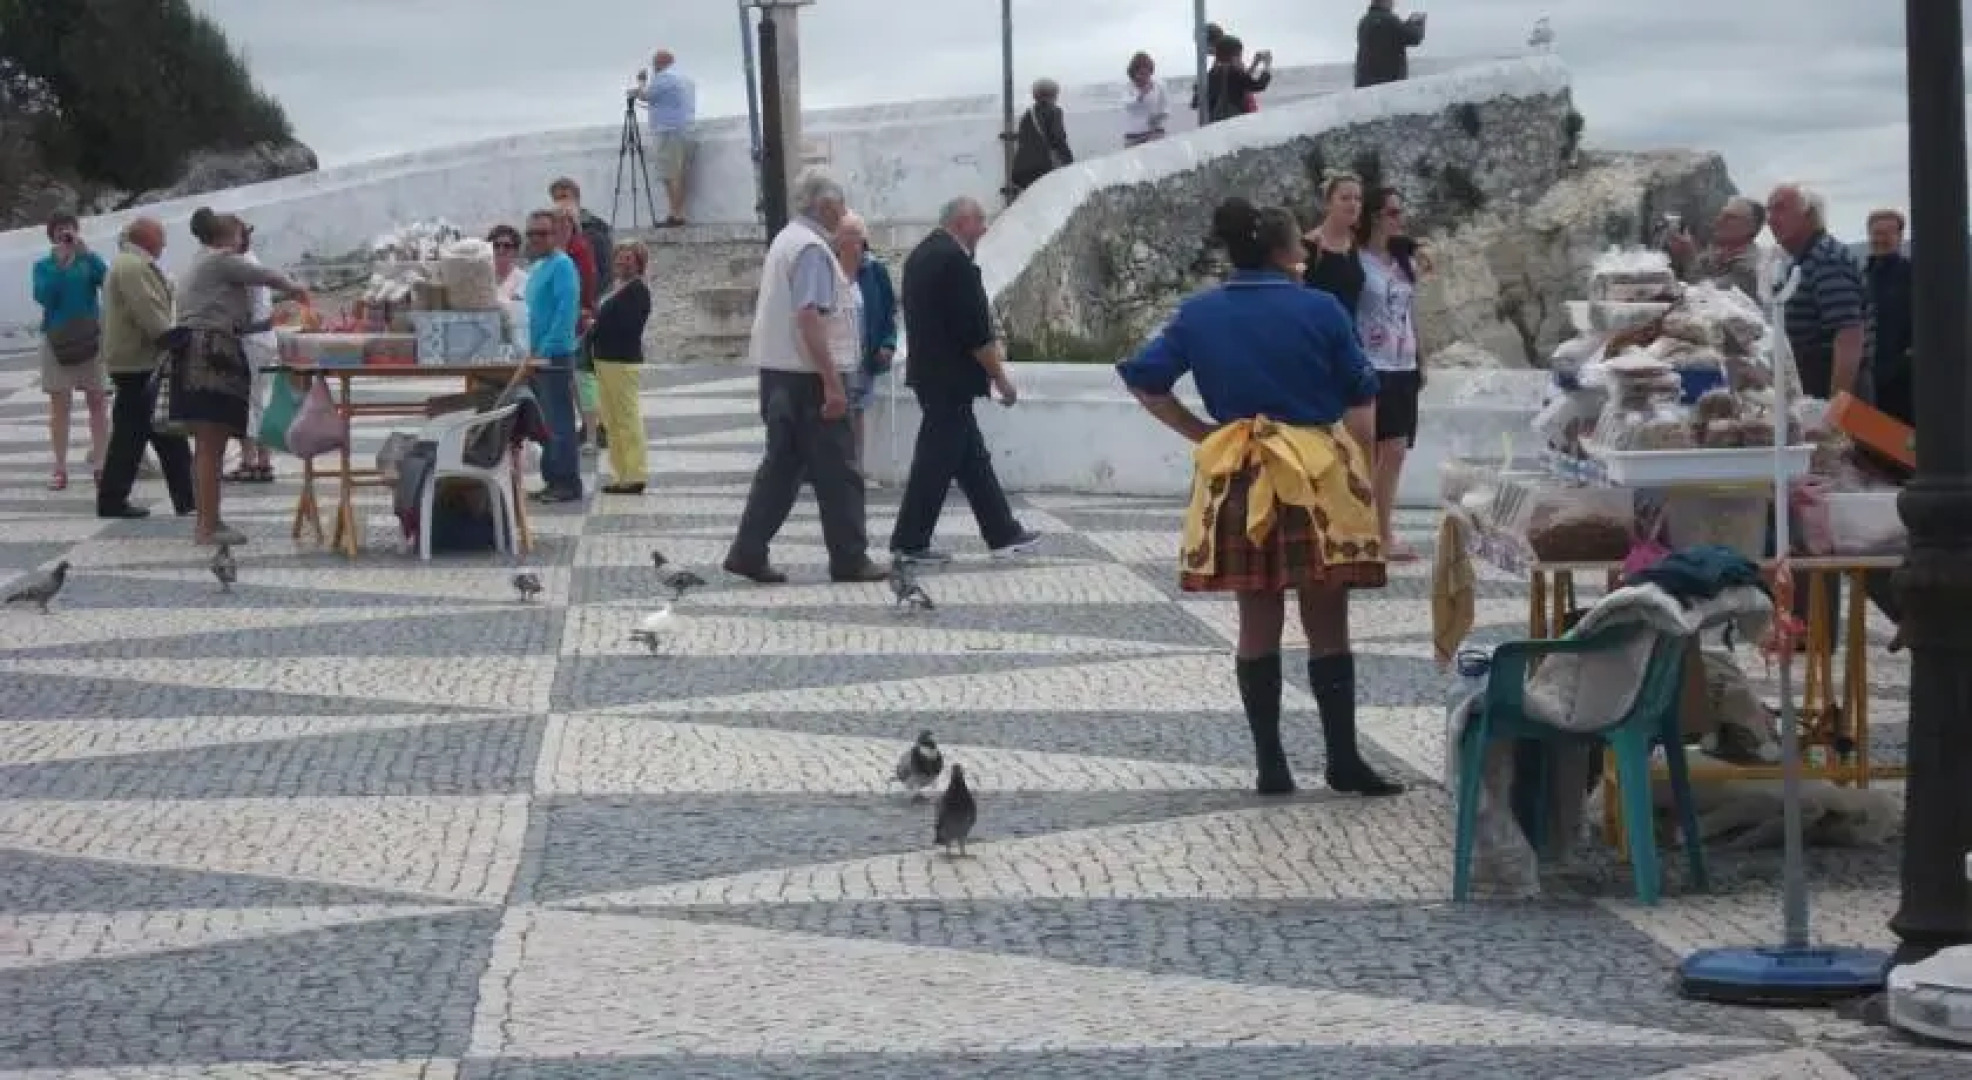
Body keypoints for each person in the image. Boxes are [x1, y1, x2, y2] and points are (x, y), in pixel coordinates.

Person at [1116, 197, 1403, 799]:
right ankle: (1342, 759)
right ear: (1284, 252)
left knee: (1256, 618)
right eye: (1298, 247)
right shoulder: (1321, 309)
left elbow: (1145, 380)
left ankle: (1271, 765)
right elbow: (1361, 404)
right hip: (1316, 474)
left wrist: (1205, 434)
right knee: (1327, 619)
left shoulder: (1198, 313)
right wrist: (1359, 474)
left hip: (1241, 472)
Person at [723, 171, 888, 585]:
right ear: (827, 205)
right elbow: (809, 316)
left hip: (778, 373)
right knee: (840, 470)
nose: (845, 212)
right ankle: (850, 558)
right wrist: (832, 383)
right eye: (842, 204)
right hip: (808, 377)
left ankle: (748, 550)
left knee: (782, 467)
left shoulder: (787, 239)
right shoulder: (812, 249)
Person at [889, 197, 1038, 563]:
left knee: (972, 459)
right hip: (951, 379)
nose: (985, 230)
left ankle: (1001, 532)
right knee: (934, 462)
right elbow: (975, 332)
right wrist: (1000, 379)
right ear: (961, 222)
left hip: (929, 374)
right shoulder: (955, 263)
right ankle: (909, 542)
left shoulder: (921, 256)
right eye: (980, 222)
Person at [172, 210, 309, 546]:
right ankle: (208, 525)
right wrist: (296, 288)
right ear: (227, 237)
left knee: (207, 444)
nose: (242, 241)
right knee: (210, 444)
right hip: (211, 351)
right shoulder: (221, 260)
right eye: (239, 235)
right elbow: (266, 276)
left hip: (195, 349)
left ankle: (207, 521)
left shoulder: (200, 263)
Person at [96, 216, 194, 520]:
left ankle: (188, 497)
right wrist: (173, 339)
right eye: (161, 236)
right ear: (146, 238)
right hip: (137, 363)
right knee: (143, 435)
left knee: (158, 434)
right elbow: (149, 311)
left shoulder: (130, 264)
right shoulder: (133, 267)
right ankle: (114, 500)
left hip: (137, 363)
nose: (164, 243)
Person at [1353, 186, 1426, 562]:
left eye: (1401, 211)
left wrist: (1421, 358)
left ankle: (1382, 530)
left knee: (1395, 450)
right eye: (1393, 212)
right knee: (1368, 451)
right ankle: (1366, 532)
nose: (1401, 218)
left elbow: (1410, 312)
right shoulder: (1357, 260)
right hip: (1371, 361)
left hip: (1404, 363)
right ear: (1376, 216)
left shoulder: (1403, 261)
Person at [31, 211, 110, 492]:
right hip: (57, 341)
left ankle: (101, 465)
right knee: (59, 406)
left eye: (70, 229)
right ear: (51, 235)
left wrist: (88, 254)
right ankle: (60, 467)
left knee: (98, 402)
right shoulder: (43, 265)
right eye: (60, 230)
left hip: (89, 339)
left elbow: (108, 282)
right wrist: (61, 266)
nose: (66, 234)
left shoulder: (88, 260)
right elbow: (44, 296)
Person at [521, 208, 584, 504]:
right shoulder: (537, 268)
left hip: (553, 357)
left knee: (559, 421)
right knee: (546, 423)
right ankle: (552, 478)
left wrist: (543, 351)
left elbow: (564, 314)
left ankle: (567, 481)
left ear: (555, 234)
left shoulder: (563, 266)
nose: (536, 239)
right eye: (531, 233)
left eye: (542, 233)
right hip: (534, 356)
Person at [588, 240, 653, 495]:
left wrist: (596, 324)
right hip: (605, 359)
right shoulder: (616, 288)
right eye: (620, 257)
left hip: (622, 361)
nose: (622, 262)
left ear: (638, 264)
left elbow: (629, 326)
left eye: (629, 258)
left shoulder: (638, 291)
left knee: (626, 417)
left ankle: (635, 472)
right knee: (611, 420)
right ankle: (620, 473)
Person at [838, 212, 896, 473]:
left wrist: (888, 343)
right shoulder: (830, 270)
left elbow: (888, 312)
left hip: (863, 354)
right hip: (836, 354)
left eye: (857, 240)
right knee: (839, 411)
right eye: (847, 239)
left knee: (856, 411)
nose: (853, 246)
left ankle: (855, 468)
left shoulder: (875, 270)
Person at [226, 218, 280, 484]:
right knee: (257, 401)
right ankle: (261, 460)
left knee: (249, 402)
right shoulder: (250, 261)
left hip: (253, 339)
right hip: (262, 338)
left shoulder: (243, 265)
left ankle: (250, 461)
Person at [554, 202, 602, 453]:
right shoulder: (557, 250)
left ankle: (593, 432)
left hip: (577, 321)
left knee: (582, 378)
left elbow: (588, 281)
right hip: (560, 322)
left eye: (566, 222)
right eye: (557, 222)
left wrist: (585, 309)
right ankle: (585, 427)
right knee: (572, 381)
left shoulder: (579, 249)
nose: (561, 227)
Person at [632, 48, 697, 227]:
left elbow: (645, 96)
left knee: (671, 175)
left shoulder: (663, 78)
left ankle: (675, 215)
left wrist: (641, 82)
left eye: (654, 63)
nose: (653, 66)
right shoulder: (683, 79)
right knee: (678, 173)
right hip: (684, 129)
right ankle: (677, 213)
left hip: (668, 131)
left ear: (660, 63)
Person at [1862, 208, 1913, 427]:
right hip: (1868, 376)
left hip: (1903, 379)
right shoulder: (1863, 275)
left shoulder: (1912, 274)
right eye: (1876, 233)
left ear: (1900, 237)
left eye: (1886, 233)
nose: (1880, 239)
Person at [1666, 197, 1765, 301]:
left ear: (1751, 227)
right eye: (1721, 215)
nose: (1718, 221)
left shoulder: (1751, 266)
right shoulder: (1716, 253)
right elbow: (1681, 281)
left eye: (1730, 217)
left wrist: (1689, 257)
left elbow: (1708, 294)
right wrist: (1677, 255)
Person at [1010, 78, 1073, 196]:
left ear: (1035, 95)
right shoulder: (1054, 111)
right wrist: (1070, 163)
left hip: (1022, 171)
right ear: (1054, 94)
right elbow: (1058, 139)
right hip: (1043, 169)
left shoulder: (1027, 115)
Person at [1355, 1, 1427, 89]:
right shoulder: (1389, 20)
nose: (1393, 3)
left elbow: (1390, 36)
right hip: (1388, 83)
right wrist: (1417, 23)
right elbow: (1414, 38)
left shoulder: (1364, 21)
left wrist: (1407, 24)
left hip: (1365, 83)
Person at [1204, 36, 1271, 123]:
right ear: (1234, 56)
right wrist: (1267, 65)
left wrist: (1255, 64)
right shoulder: (1235, 72)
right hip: (1234, 121)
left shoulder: (1212, 73)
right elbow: (1259, 86)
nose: (1240, 58)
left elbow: (1241, 83)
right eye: (1240, 55)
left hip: (1216, 122)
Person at [489, 223, 530, 348]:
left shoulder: (524, 280)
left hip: (513, 343)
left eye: (507, 246)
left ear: (515, 251)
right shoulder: (482, 278)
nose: (501, 250)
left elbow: (514, 310)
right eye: (496, 245)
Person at [1122, 52, 1170, 147]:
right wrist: (1141, 95)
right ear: (1133, 72)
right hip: (1133, 135)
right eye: (1140, 73)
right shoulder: (1128, 87)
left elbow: (1166, 108)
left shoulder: (1159, 86)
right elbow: (1128, 105)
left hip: (1155, 133)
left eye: (1146, 73)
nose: (1144, 77)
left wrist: (1159, 117)